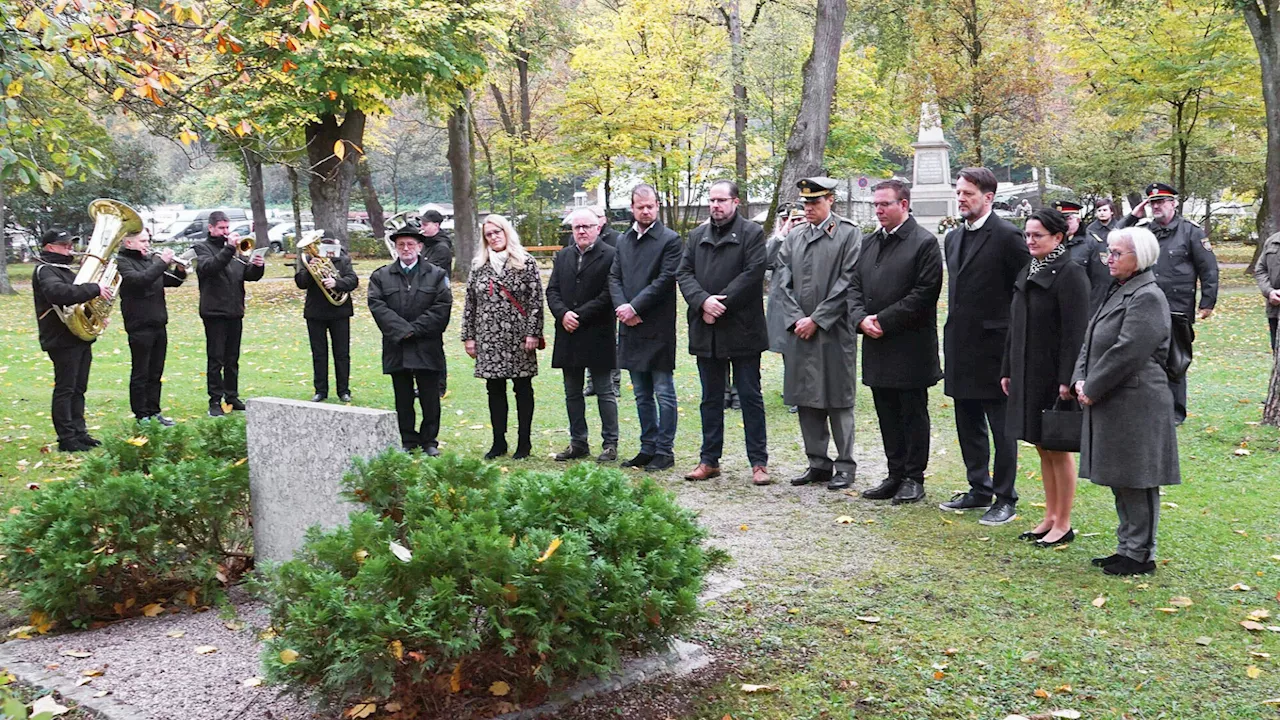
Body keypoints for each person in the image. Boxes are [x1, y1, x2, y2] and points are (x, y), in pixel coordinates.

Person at [1073, 226, 1180, 576]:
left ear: (1141, 258)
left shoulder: (1147, 295)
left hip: (1137, 399)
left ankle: (1140, 554)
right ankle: (1127, 547)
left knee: (1138, 478)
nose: (1109, 258)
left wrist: (1093, 386)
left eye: (1117, 253)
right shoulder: (1121, 289)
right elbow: (1092, 338)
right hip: (1116, 396)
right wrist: (1079, 378)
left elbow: (1128, 351)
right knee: (1122, 476)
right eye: (1109, 251)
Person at [940, 167, 1030, 525]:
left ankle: (1005, 496)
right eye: (959, 193)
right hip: (961, 346)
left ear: (988, 197)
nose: (961, 199)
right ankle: (979, 487)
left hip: (997, 349)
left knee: (1002, 427)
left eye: (968, 194)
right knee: (968, 422)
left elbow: (1023, 293)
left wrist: (1014, 347)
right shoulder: (953, 238)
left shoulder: (1008, 236)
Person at [848, 179, 943, 505]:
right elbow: (854, 286)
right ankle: (894, 473)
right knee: (886, 410)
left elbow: (924, 293)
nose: (879, 210)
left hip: (909, 345)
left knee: (912, 413)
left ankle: (913, 477)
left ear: (903, 204)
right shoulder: (869, 242)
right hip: (876, 343)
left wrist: (883, 320)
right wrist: (860, 318)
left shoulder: (924, 243)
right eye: (876, 205)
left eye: (885, 204)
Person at [1000, 209, 1091, 546]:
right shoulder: (1029, 269)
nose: (1030, 240)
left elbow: (1076, 332)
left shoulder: (1070, 274)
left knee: (1057, 446)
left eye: (1037, 235)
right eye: (1027, 234)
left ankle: (1063, 523)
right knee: (1041, 444)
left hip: (1054, 376)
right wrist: (1007, 369)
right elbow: (1015, 324)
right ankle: (1050, 516)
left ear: (1058, 237)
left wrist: (1068, 378)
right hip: (1027, 371)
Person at [770, 176, 862, 491]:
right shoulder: (794, 237)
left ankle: (845, 466)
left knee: (838, 398)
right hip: (799, 333)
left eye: (815, 202)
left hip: (834, 332)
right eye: (806, 203)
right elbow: (781, 280)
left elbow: (849, 280)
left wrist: (818, 319)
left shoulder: (848, 234)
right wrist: (797, 318)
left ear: (830, 201)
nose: (809, 208)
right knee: (806, 398)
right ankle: (818, 463)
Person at [677, 180, 770, 486]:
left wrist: (721, 303)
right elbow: (684, 273)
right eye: (712, 200)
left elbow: (753, 272)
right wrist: (702, 301)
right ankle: (709, 460)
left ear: (735, 202)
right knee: (710, 399)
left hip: (743, 329)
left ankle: (758, 463)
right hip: (707, 330)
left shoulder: (752, 234)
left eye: (721, 200)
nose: (715, 205)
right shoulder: (696, 235)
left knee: (750, 397)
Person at [1119, 183, 1218, 425]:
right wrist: (1133, 216)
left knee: (1175, 360)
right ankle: (1148, 406)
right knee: (1143, 357)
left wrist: (1207, 302)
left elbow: (1208, 268)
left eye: (1162, 202)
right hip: (1144, 306)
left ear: (1174, 203)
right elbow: (1114, 237)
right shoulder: (1143, 230)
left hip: (1177, 307)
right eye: (1152, 203)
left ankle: (1175, 411)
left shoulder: (1190, 231)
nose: (1157, 206)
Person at [610, 184, 683, 472]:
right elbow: (614, 276)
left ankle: (665, 450)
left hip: (657, 326)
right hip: (629, 325)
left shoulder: (670, 239)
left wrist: (635, 307)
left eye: (650, 206)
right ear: (632, 208)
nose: (646, 211)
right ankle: (647, 446)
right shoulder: (624, 240)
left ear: (657, 206)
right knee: (640, 393)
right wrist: (622, 308)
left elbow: (665, 279)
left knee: (663, 391)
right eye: (640, 207)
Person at [463, 214, 545, 460]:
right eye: (489, 234)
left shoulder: (525, 262)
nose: (494, 237)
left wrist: (533, 332)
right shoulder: (478, 265)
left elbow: (536, 301)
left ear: (507, 232)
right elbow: (470, 303)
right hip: (489, 337)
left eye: (497, 231)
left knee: (523, 388)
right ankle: (499, 441)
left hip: (518, 337)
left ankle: (524, 442)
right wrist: (469, 337)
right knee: (494, 389)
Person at [368, 229, 452, 455]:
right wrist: (402, 331)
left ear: (420, 247)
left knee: (430, 396)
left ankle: (429, 441)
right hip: (397, 346)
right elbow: (377, 305)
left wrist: (414, 330)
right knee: (403, 396)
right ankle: (407, 439)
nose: (406, 248)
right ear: (396, 247)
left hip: (427, 345)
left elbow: (442, 307)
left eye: (411, 244)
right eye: (401, 244)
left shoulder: (436, 274)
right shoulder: (381, 276)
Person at [546, 208, 620, 463]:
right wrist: (563, 314)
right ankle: (578, 442)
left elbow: (609, 294)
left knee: (604, 391)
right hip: (568, 333)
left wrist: (579, 315)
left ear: (598, 228)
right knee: (572, 392)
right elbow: (552, 290)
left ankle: (610, 444)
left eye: (586, 226)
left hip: (597, 331)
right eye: (577, 227)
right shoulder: (563, 256)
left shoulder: (611, 255)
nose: (581, 231)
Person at [31, 228, 111, 452]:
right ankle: (66, 438)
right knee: (66, 388)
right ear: (50, 247)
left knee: (79, 388)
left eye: (70, 244)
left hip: (78, 336)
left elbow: (78, 303)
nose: (70, 249)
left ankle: (79, 432)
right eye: (65, 245)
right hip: (60, 339)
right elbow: (60, 294)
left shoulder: (65, 269)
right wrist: (94, 288)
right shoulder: (45, 270)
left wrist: (96, 316)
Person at [194, 210, 265, 417]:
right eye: (221, 228)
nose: (226, 231)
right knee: (216, 358)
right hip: (214, 312)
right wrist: (228, 248)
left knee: (232, 358)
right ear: (211, 228)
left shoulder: (235, 251)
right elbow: (210, 267)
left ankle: (231, 396)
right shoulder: (202, 248)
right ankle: (214, 400)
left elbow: (247, 275)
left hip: (235, 311)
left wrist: (257, 267)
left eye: (227, 227)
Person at [116, 228, 185, 425]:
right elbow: (140, 281)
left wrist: (179, 270)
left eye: (148, 240)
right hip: (139, 325)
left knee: (156, 372)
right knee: (141, 372)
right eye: (143, 241)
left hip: (158, 323)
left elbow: (172, 281)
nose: (147, 244)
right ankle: (141, 415)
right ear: (129, 243)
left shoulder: (148, 261)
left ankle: (154, 411)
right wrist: (161, 263)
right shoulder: (122, 262)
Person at [294, 236, 359, 403]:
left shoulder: (343, 260)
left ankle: (343, 390)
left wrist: (336, 283)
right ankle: (320, 391)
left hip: (340, 312)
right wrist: (310, 268)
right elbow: (300, 283)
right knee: (319, 354)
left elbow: (353, 280)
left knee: (342, 354)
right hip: (315, 313)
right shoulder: (308, 260)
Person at [585, 206, 621, 399]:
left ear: (604, 219)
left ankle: (613, 382)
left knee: (612, 342)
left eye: (598, 217)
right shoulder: (579, 238)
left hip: (610, 298)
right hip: (587, 300)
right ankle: (591, 382)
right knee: (588, 342)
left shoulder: (616, 239)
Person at [420, 209, 454, 398]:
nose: (422, 228)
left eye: (425, 225)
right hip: (424, 297)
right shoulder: (427, 245)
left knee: (434, 344)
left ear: (436, 225)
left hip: (437, 299)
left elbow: (429, 272)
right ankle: (427, 384)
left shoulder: (441, 247)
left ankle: (439, 386)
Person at [1082, 198, 1120, 312]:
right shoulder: (1089, 230)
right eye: (1099, 210)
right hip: (1095, 276)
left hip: (1116, 274)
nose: (1102, 213)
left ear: (1111, 211)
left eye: (1104, 210)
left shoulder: (1120, 228)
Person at [1256, 230, 1280, 351]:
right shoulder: (1273, 241)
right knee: (1277, 355)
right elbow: (1260, 269)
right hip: (1275, 310)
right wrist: (1269, 291)